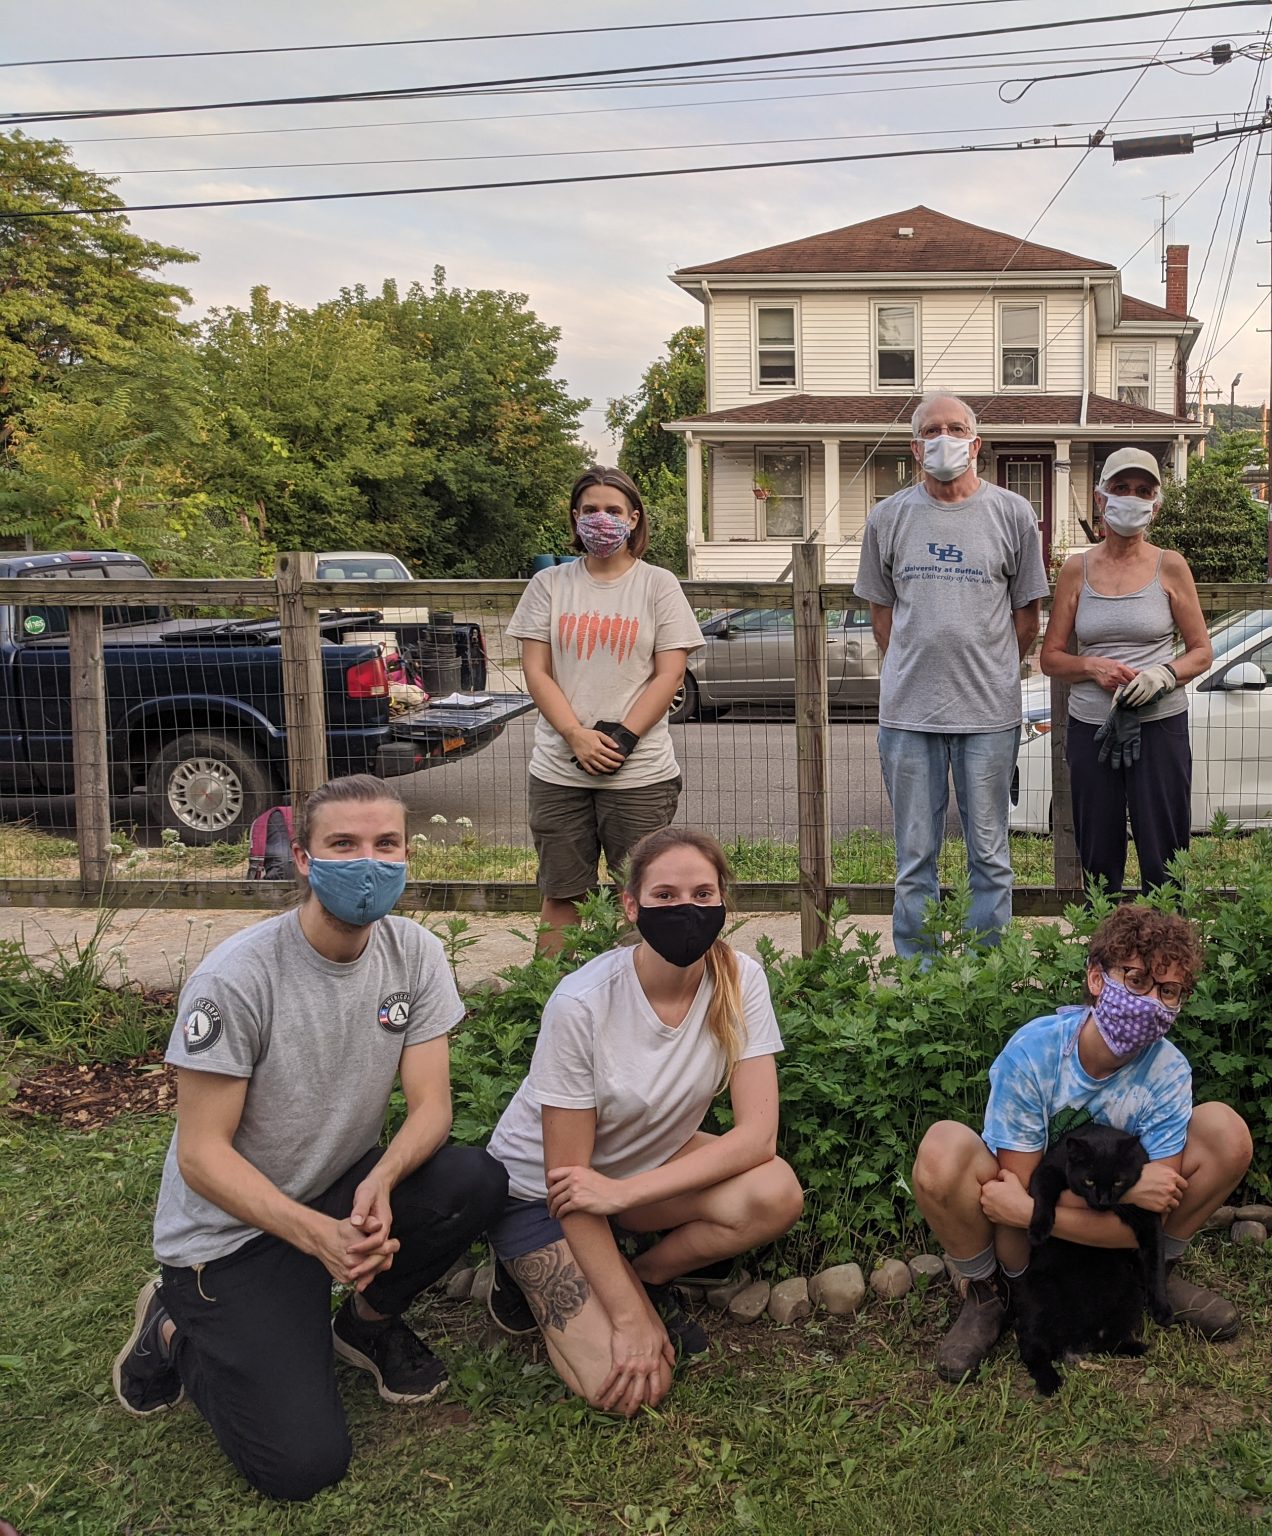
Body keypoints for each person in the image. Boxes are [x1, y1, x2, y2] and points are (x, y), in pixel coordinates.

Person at [111, 775, 507, 1502]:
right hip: (229, 1233)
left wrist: (380, 1182)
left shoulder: (414, 953)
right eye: (343, 845)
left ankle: (365, 1325)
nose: (368, 863)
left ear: (407, 855)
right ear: (302, 858)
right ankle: (172, 1329)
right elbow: (201, 1155)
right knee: (301, 1466)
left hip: (337, 1186)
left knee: (470, 1180)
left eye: (386, 844)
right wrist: (319, 1236)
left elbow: (430, 1108)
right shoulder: (237, 978)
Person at [480, 827, 803, 1416]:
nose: (687, 910)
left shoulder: (740, 980)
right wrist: (628, 1322)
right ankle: (521, 1272)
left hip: (629, 1178)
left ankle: (646, 1276)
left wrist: (624, 1197)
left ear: (723, 901)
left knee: (775, 1191)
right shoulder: (582, 1003)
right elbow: (569, 1183)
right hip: (540, 1195)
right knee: (626, 1389)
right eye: (665, 896)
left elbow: (758, 1138)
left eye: (703, 895)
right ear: (631, 906)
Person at [911, 904, 1255, 1382]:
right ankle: (993, 1292)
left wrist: (1032, 1210)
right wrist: (1126, 1195)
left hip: (1066, 1223)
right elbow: (1019, 1192)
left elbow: (1148, 1215)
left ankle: (1153, 1272)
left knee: (1227, 1134)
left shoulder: (1169, 1071)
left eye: (1168, 991)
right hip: (1027, 1240)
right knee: (941, 1150)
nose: (1151, 1002)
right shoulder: (1035, 1052)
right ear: (1096, 978)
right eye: (1136, 980)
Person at [855, 390, 1051, 959]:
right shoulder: (887, 517)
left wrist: (990, 668)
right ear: (915, 448)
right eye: (932, 430)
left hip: (989, 715)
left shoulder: (1012, 514)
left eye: (956, 428)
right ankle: (920, 973)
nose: (945, 438)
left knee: (989, 855)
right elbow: (882, 616)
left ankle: (986, 971)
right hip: (907, 715)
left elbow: (1027, 617)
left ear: (976, 443)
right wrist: (916, 666)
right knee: (915, 856)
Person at [509, 466, 705, 954]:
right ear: (575, 518)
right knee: (563, 896)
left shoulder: (658, 585)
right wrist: (575, 735)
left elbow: (669, 673)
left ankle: (635, 993)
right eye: (590, 509)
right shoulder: (549, 585)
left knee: (639, 898)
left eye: (613, 510)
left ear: (634, 518)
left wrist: (622, 740)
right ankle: (553, 990)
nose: (602, 519)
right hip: (559, 772)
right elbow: (537, 670)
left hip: (640, 775)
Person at [1038, 448, 1213, 895]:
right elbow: (1051, 657)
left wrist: (1163, 676)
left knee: (1165, 854)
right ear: (1101, 499)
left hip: (1160, 725)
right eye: (1120, 488)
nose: (1131, 498)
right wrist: (1090, 666)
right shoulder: (1076, 570)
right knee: (1098, 854)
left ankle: (1168, 937)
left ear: (1155, 505)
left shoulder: (1169, 566)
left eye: (1142, 491)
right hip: (1092, 729)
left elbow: (1201, 652)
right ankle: (1103, 937)